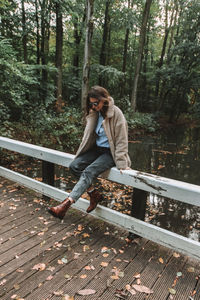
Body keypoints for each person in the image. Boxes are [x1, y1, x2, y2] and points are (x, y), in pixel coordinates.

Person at [48, 86, 131, 220]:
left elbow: (122, 140)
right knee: (74, 166)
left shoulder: (116, 114)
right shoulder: (94, 114)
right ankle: (93, 194)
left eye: (95, 103)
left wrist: (122, 163)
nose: (93, 106)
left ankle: (66, 205)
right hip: (97, 149)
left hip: (110, 153)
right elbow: (89, 137)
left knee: (89, 171)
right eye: (91, 103)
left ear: (104, 100)